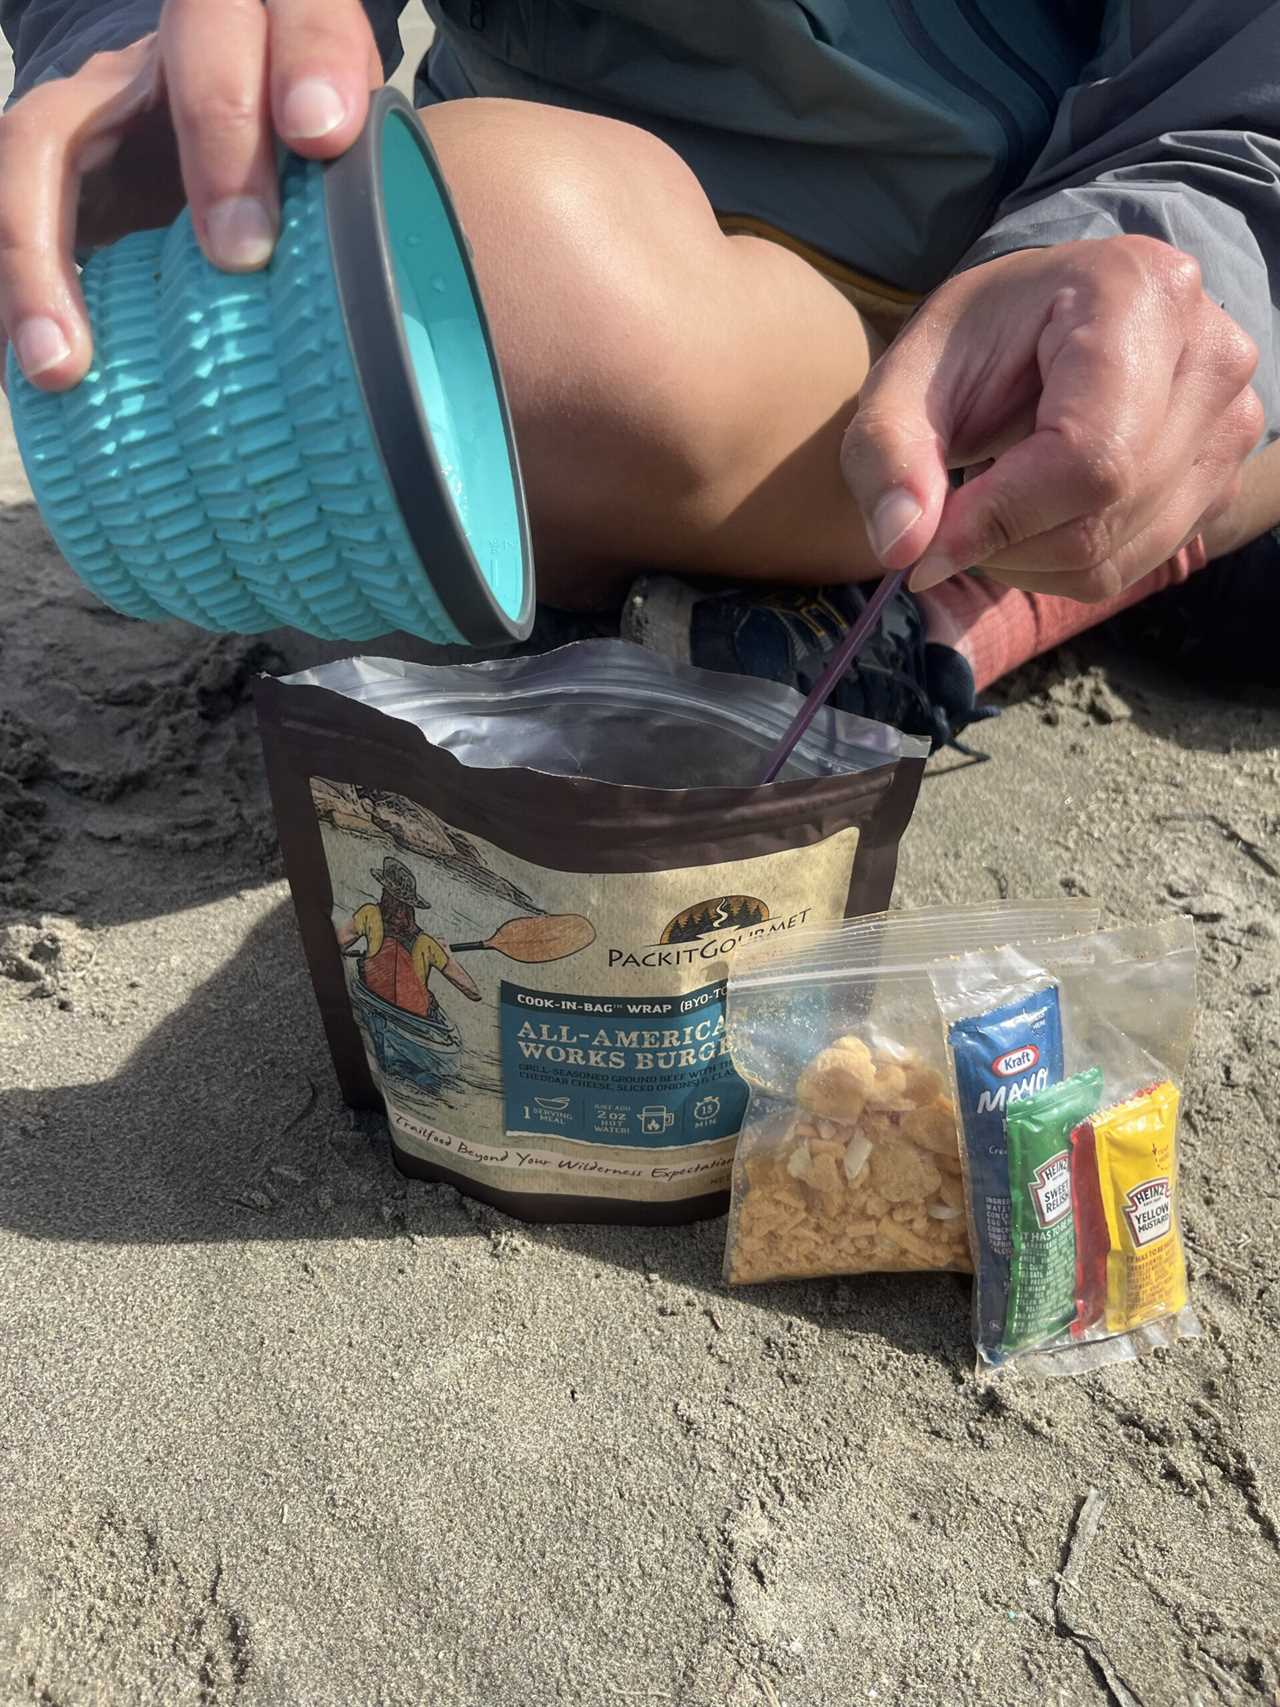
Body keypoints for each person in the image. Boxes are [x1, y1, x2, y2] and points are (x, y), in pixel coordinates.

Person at [0, 1, 1275, 745]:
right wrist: (155, 49)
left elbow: (1238, 94)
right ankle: (943, 584)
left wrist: (1151, 244)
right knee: (465, 274)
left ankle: (975, 603)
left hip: (1007, 294)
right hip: (565, 281)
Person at [337, 854, 480, 1018]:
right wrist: (449, 956)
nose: (399, 911)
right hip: (415, 1019)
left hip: (375, 1000)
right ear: (411, 906)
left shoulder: (369, 914)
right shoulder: (426, 943)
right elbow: (473, 992)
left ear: (385, 895)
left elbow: (335, 944)